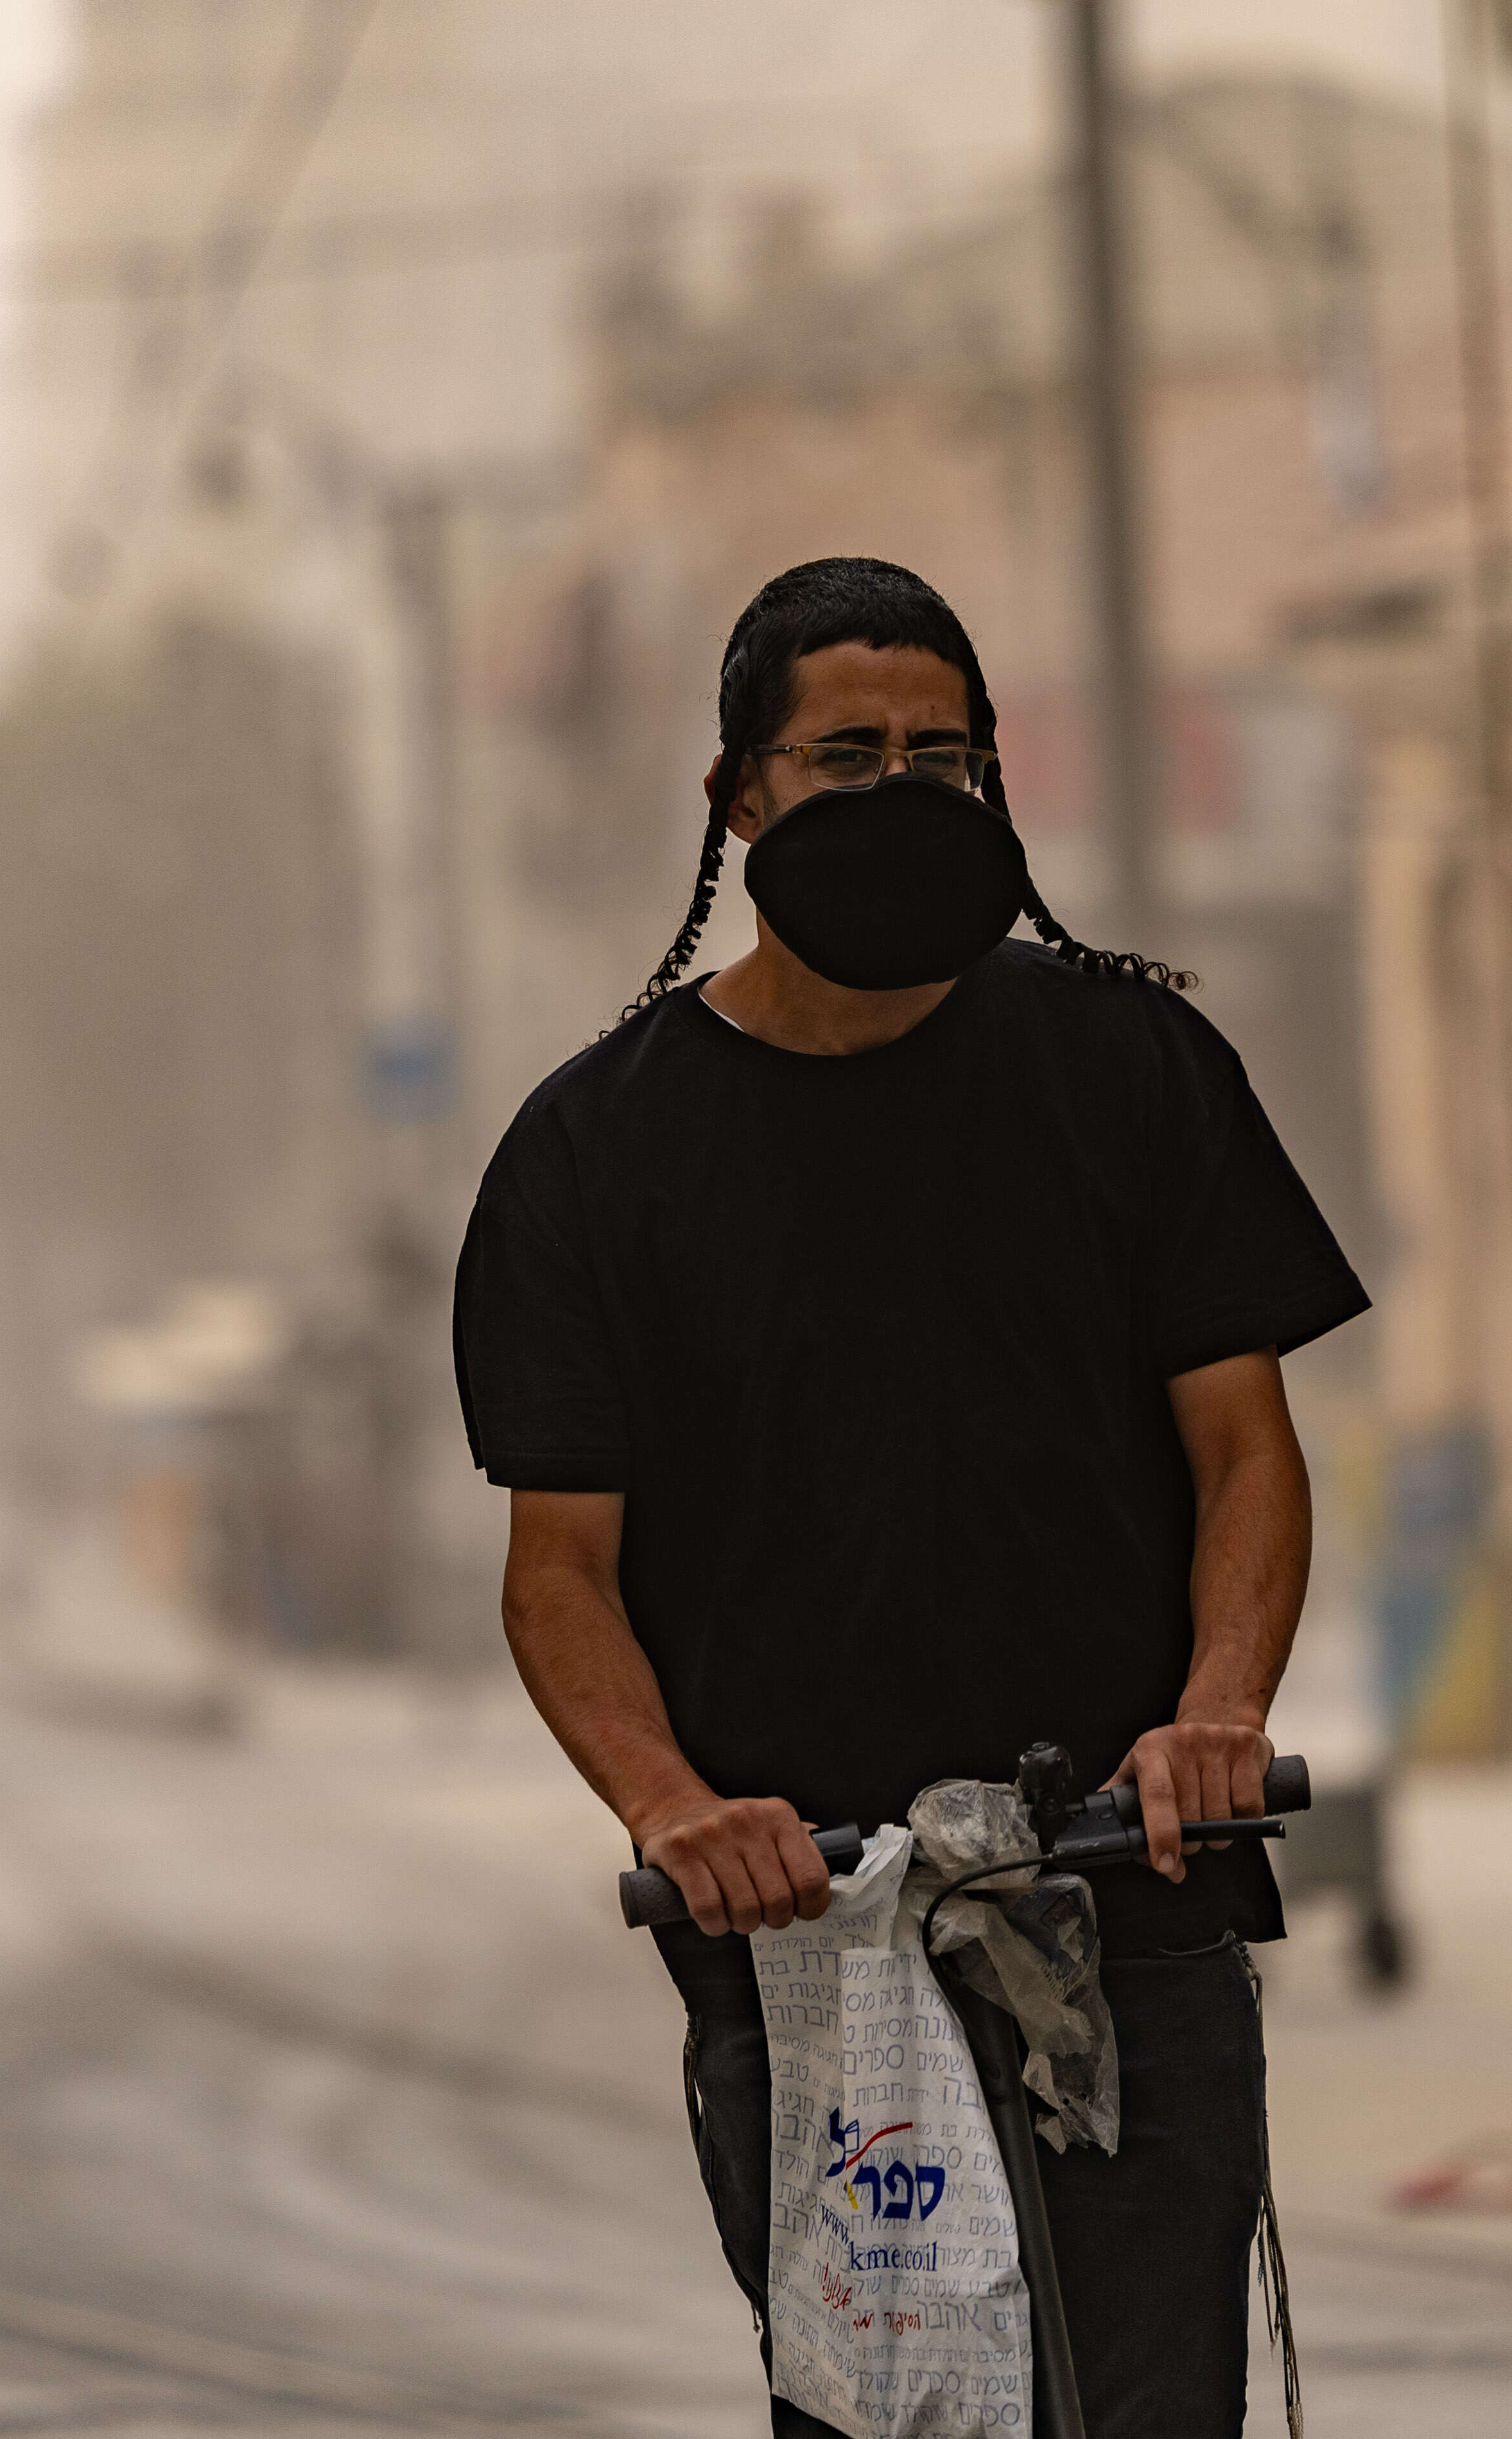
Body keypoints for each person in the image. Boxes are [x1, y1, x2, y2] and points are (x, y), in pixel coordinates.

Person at [454, 559, 1366, 2437]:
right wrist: (677, 1806)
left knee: (1149, 2410)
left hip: (1136, 1889)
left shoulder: (1135, 1071)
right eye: (850, 753)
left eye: (944, 757)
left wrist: (1218, 1716)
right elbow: (559, 1575)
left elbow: (1245, 1452)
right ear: (740, 799)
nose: (902, 792)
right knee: (889, 2423)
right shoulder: (592, 1154)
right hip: (813, 1952)